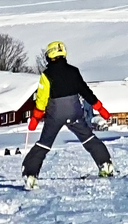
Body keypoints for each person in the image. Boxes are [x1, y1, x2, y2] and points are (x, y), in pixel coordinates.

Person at [23, 40, 116, 188]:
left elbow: (41, 100)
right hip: (74, 112)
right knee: (88, 138)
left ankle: (30, 174)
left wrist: (35, 118)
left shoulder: (46, 75)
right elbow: (85, 91)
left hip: (55, 114)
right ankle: (105, 164)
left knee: (44, 144)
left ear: (49, 55)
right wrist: (100, 108)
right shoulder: (74, 71)